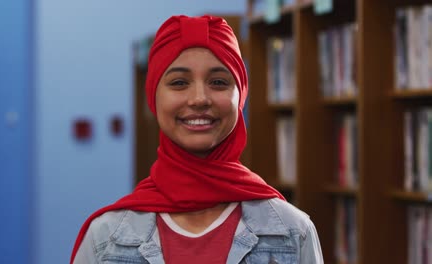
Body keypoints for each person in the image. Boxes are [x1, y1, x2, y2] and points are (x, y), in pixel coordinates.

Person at [71, 14, 323, 264]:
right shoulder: (104, 239)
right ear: (153, 97)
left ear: (241, 95)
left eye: (218, 82)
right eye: (179, 82)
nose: (199, 98)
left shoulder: (294, 233)